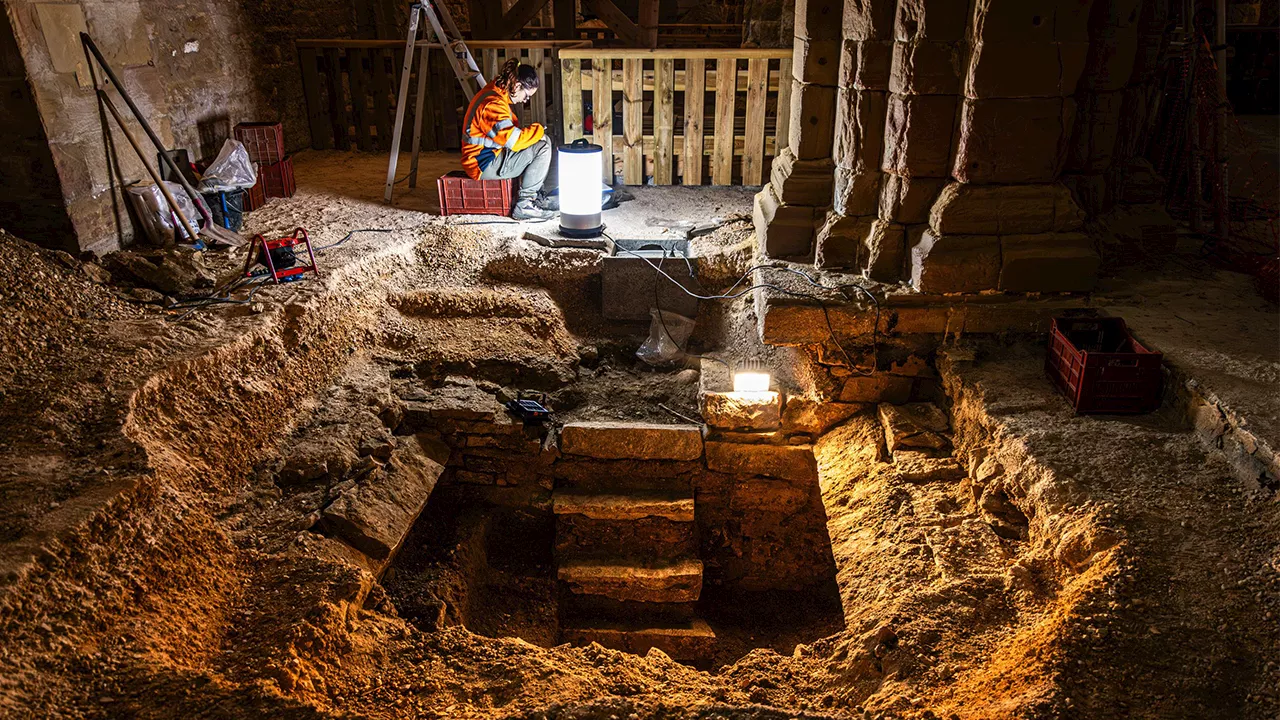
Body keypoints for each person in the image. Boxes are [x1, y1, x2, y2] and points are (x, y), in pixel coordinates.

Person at [461, 59, 555, 221]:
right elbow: (514, 142)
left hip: (488, 157)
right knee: (542, 146)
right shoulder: (493, 104)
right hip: (484, 165)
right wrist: (538, 129)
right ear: (517, 86)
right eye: (526, 96)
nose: (525, 101)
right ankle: (525, 204)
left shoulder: (495, 93)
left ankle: (534, 197)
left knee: (541, 142)